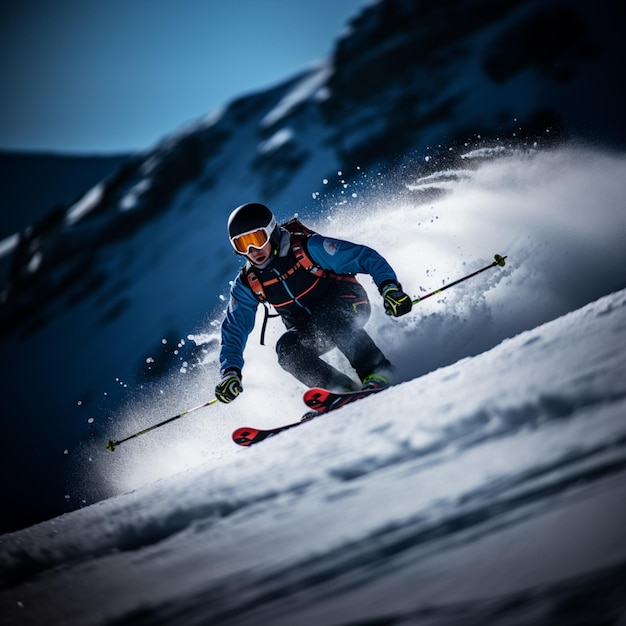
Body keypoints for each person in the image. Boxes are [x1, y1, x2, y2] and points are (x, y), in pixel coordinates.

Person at [215, 202, 412, 404]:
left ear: (271, 231)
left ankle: (378, 370)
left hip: (350, 305)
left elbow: (364, 257)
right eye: (241, 244)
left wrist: (389, 289)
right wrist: (230, 371)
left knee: (329, 317)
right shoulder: (249, 282)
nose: (252, 249)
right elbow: (234, 328)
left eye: (256, 239)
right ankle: (340, 390)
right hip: (313, 328)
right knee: (286, 349)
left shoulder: (307, 248)